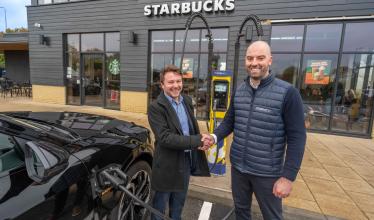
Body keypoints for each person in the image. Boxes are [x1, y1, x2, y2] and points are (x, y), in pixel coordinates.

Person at [202, 41, 306, 220]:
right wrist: (213, 136)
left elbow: (297, 138)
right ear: (245, 61)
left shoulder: (288, 93)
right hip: (239, 169)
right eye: (250, 58)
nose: (254, 63)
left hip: (267, 172)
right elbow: (229, 121)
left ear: (270, 60)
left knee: (272, 216)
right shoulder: (240, 90)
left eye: (260, 58)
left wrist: (288, 177)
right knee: (241, 212)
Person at [147, 64, 210, 220]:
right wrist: (197, 140)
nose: (175, 85)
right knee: (159, 210)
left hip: (185, 163)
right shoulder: (156, 107)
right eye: (170, 82)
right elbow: (165, 138)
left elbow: (190, 129)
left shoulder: (187, 101)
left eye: (178, 81)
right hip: (166, 167)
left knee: (178, 207)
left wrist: (201, 140)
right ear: (162, 85)